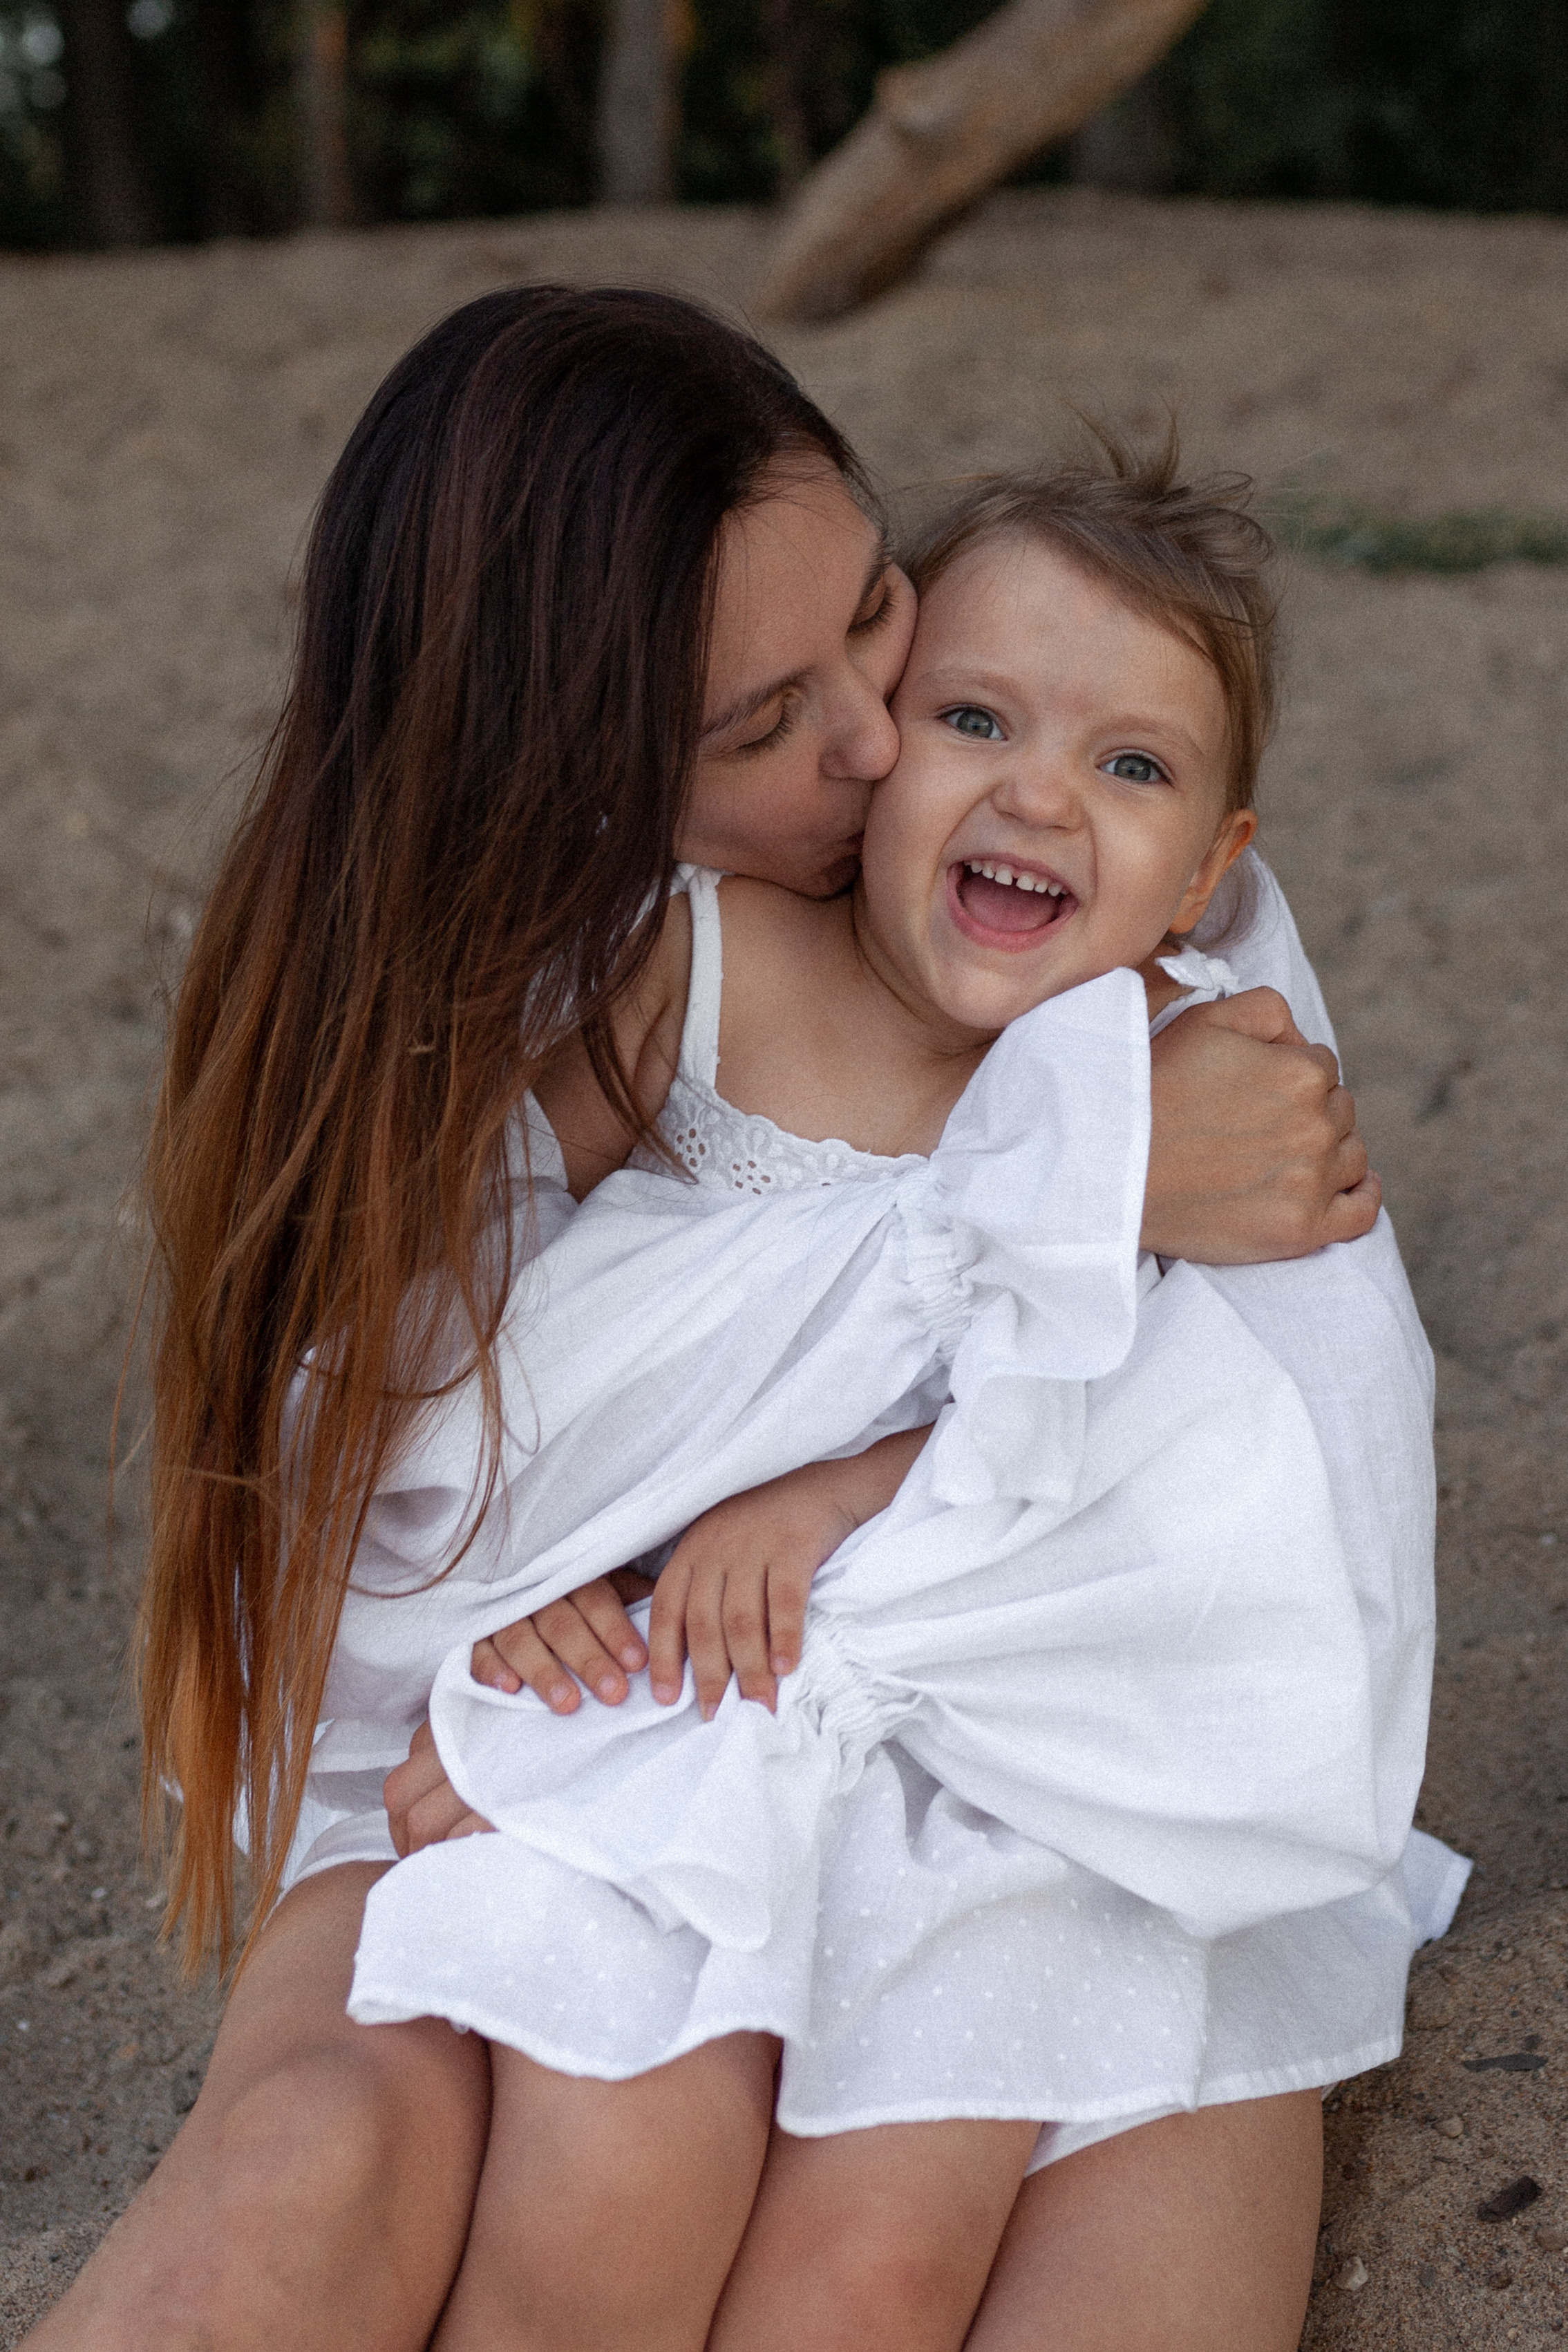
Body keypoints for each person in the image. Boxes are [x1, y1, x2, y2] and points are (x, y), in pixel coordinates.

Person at [26, 288, 1379, 2352]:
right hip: (621, 1735)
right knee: (391, 2160)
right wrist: (599, 1581)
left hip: (1008, 1772)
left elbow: (1231, 1482)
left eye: (875, 618)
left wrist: (939, 1377)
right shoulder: (639, 991)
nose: (872, 738)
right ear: (571, 781)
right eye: (765, 723)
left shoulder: (1174, 1028)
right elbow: (459, 1469)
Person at [341, 453, 1461, 2352]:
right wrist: (525, 1574)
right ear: (872, 759)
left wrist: (852, 1486)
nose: (1038, 791)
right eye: (975, 717)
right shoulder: (698, 969)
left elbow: (1190, 1458)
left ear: (1209, 870)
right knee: (602, 2186)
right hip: (680, 1699)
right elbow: (490, 1320)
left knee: (865, 2270)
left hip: (985, 1770)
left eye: (1131, 765)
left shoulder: (1174, 1072)